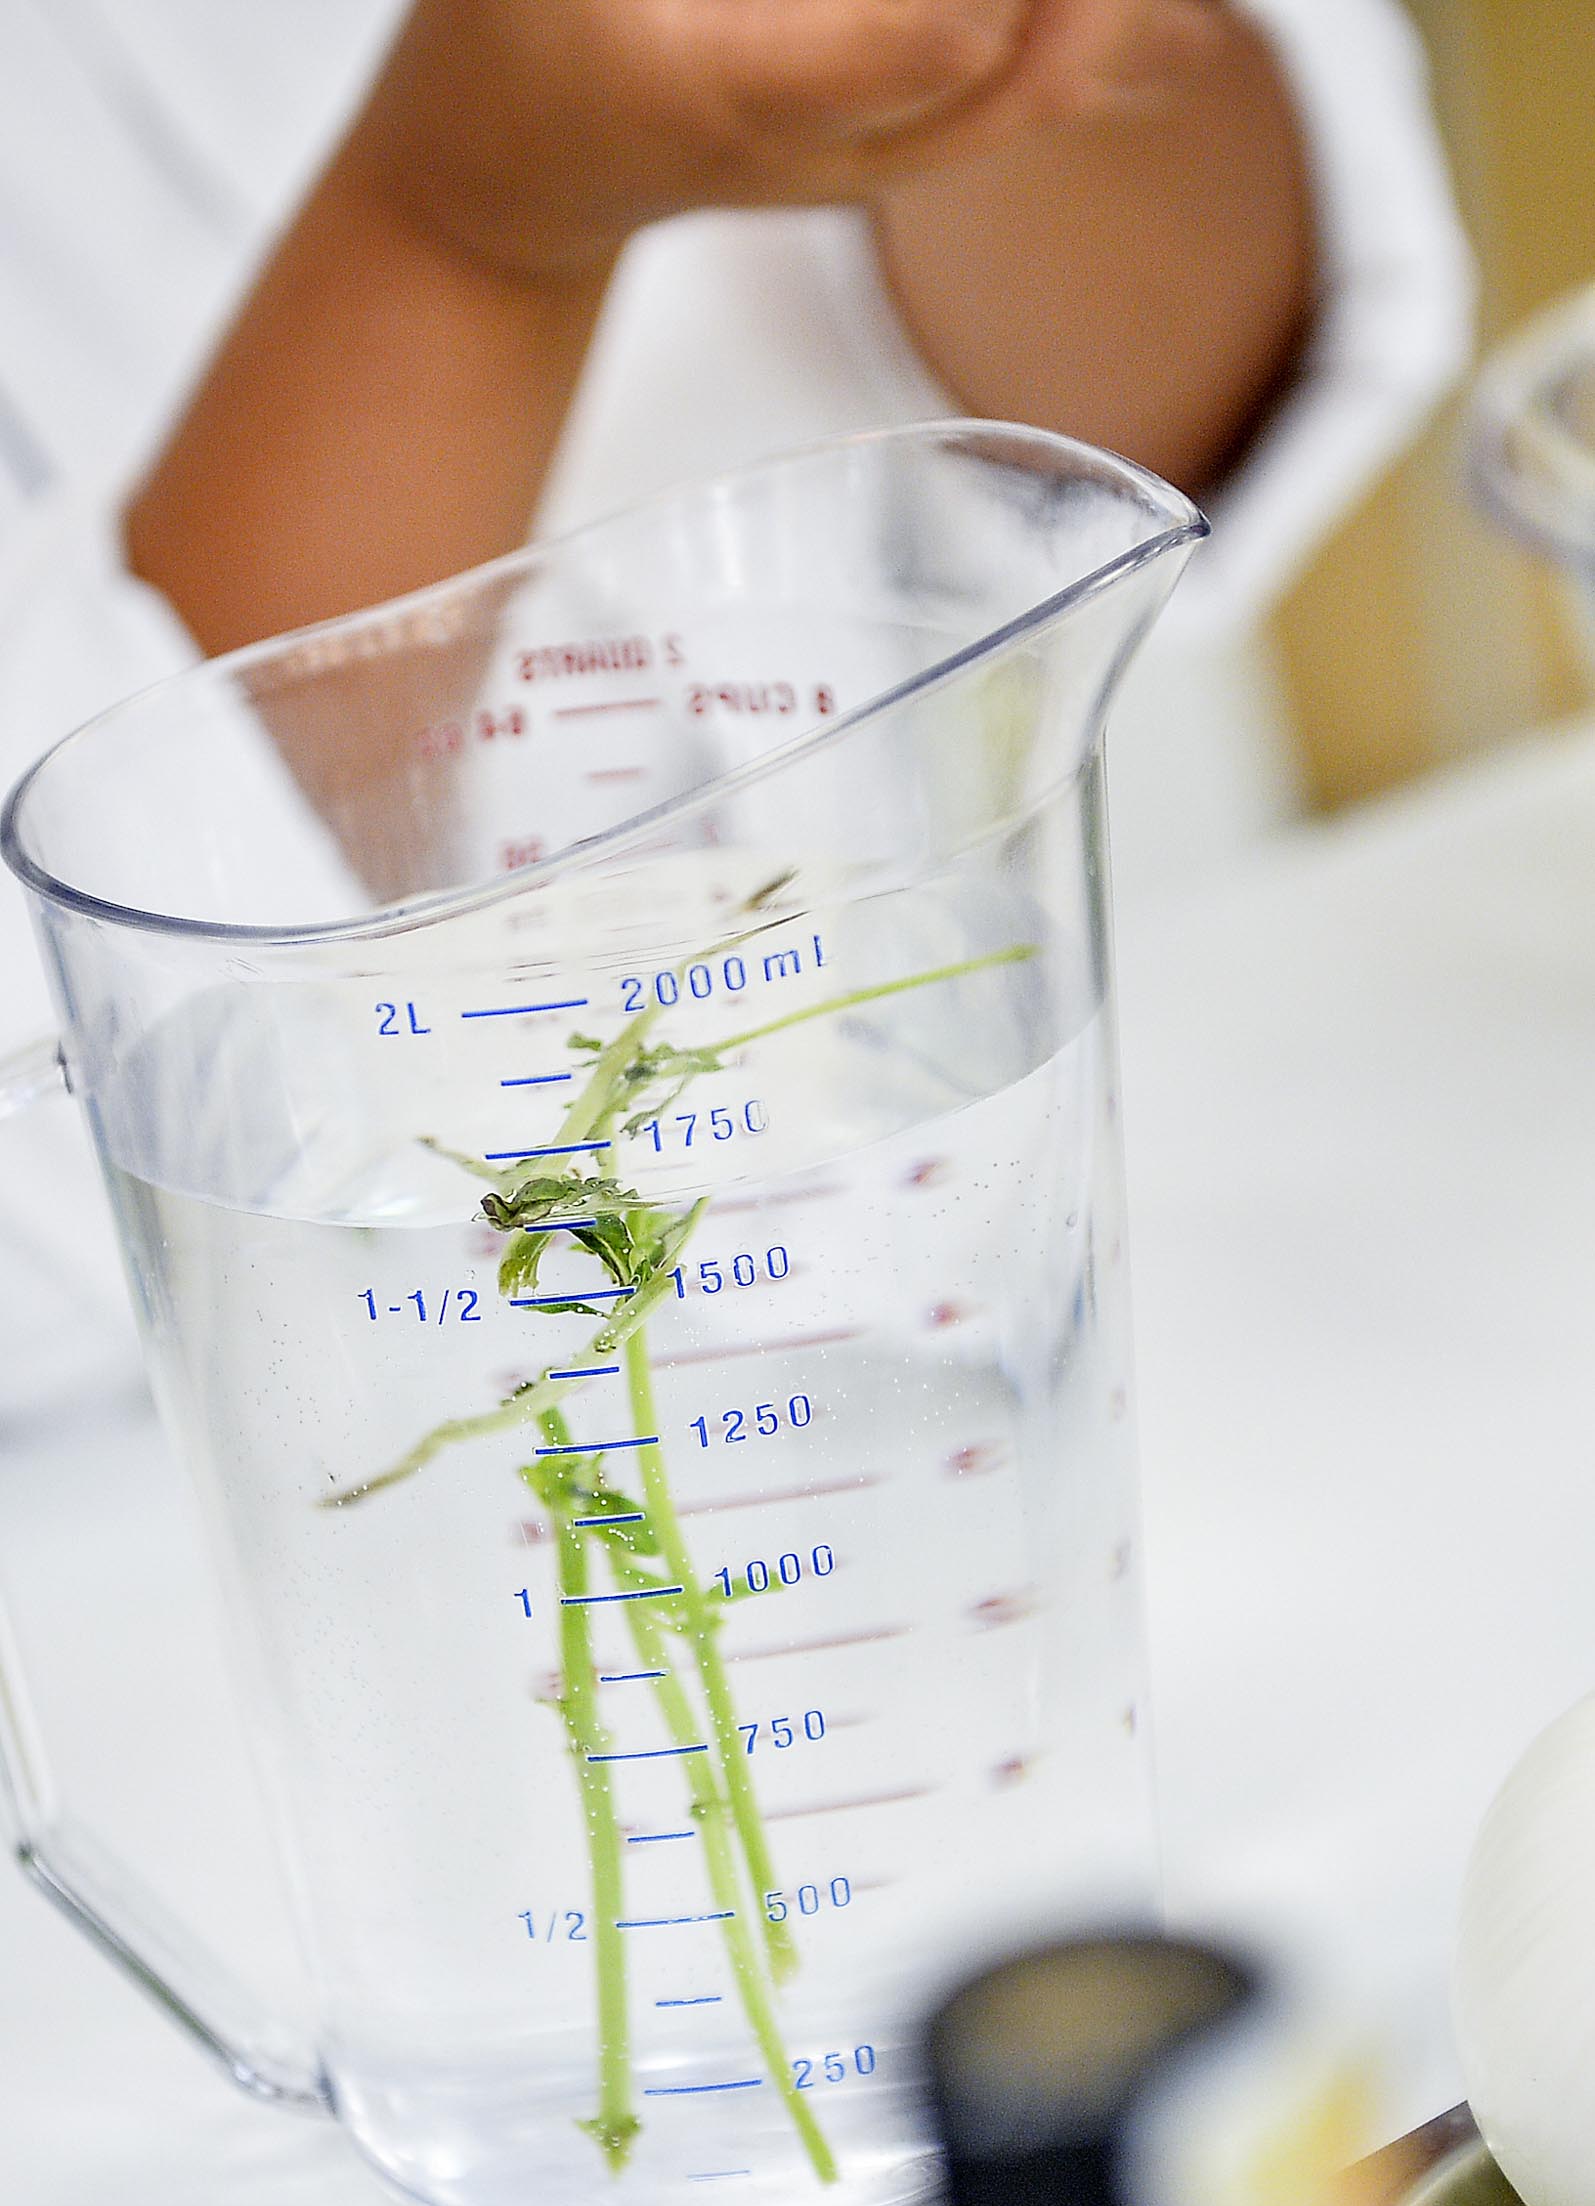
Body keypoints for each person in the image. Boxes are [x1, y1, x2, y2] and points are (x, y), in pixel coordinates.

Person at [0, 0, 1471, 1408]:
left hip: (1153, 1211)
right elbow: (65, 1163)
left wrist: (1005, 59)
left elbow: (1172, 303)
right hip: (246, 1463)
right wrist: (466, 226)